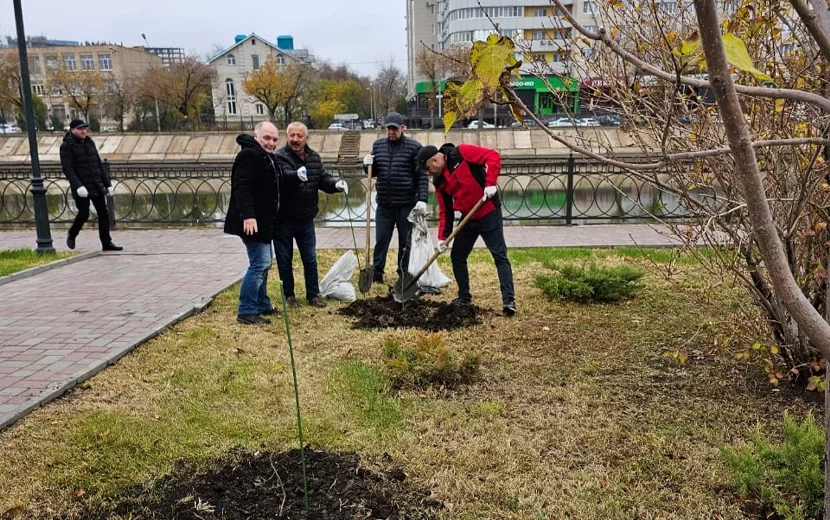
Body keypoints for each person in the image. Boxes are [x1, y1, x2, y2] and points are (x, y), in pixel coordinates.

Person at [416, 143, 516, 316]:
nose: (428, 173)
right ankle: (464, 297)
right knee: (457, 256)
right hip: (468, 218)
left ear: (435, 159)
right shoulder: (439, 181)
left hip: (488, 211)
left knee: (499, 255)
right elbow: (445, 210)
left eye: (427, 168)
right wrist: (442, 237)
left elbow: (492, 156)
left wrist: (490, 183)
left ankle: (509, 301)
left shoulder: (461, 153)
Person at [273, 121, 348, 308]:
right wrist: (295, 176)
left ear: (306, 138)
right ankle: (289, 295)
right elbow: (281, 178)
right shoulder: (279, 157)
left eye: (299, 136)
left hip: (306, 218)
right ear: (287, 136)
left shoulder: (314, 157)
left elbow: (322, 178)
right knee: (284, 259)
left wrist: (335, 184)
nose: (295, 139)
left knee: (310, 258)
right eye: (292, 135)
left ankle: (313, 295)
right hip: (284, 219)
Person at [224, 121, 282, 325]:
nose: (271, 142)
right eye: (267, 138)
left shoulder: (266, 157)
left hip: (264, 223)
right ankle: (247, 311)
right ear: (256, 136)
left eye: (275, 139)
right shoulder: (249, 155)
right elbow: (242, 187)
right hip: (252, 223)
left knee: (265, 264)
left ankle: (262, 304)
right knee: (259, 264)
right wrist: (248, 215)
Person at [362, 111, 428, 283]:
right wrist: (366, 164)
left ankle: (403, 272)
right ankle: (376, 274)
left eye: (394, 129)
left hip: (406, 204)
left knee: (405, 242)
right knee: (382, 240)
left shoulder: (414, 147)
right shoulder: (378, 146)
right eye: (388, 129)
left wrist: (422, 199)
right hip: (384, 204)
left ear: (402, 128)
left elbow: (421, 175)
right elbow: (374, 171)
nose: (391, 132)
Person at [60, 119, 122, 251]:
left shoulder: (89, 142)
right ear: (72, 130)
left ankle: (107, 243)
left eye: (84, 128)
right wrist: (78, 186)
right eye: (80, 129)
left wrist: (107, 184)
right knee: (84, 213)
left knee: (103, 214)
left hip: (96, 184)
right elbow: (68, 169)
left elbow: (98, 164)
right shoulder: (67, 146)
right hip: (82, 186)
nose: (83, 131)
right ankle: (72, 233)